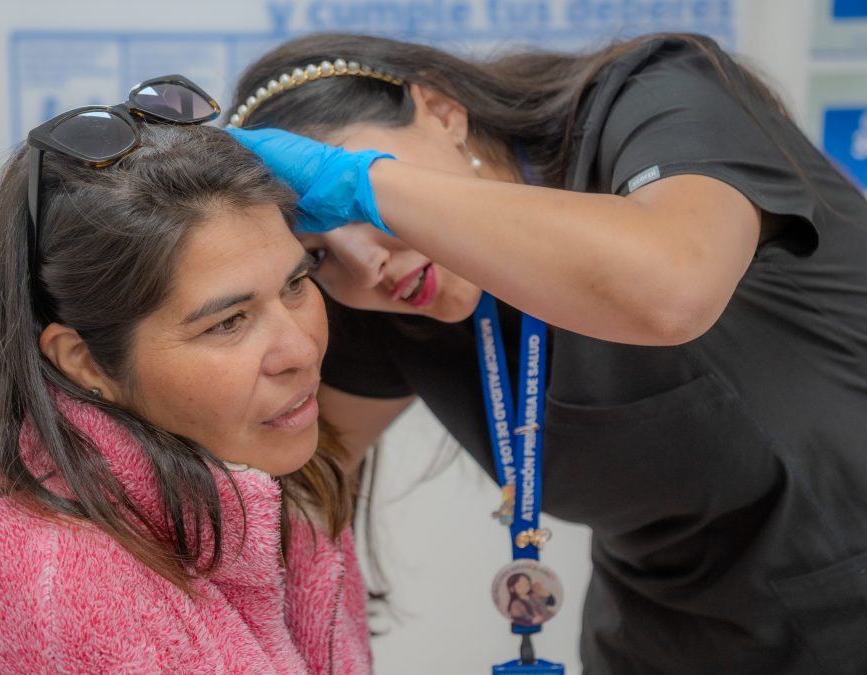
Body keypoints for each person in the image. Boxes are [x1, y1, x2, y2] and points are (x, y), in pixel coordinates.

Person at [225, 33, 867, 673]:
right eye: (319, 253)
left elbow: (672, 291)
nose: (365, 262)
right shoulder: (385, 296)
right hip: (660, 645)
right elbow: (282, 487)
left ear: (443, 111)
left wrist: (368, 188)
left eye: (358, 188)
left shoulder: (655, 95)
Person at [0, 75, 372, 674]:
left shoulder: (274, 487)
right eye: (228, 323)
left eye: (296, 284)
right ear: (84, 361)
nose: (300, 349)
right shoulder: (53, 587)